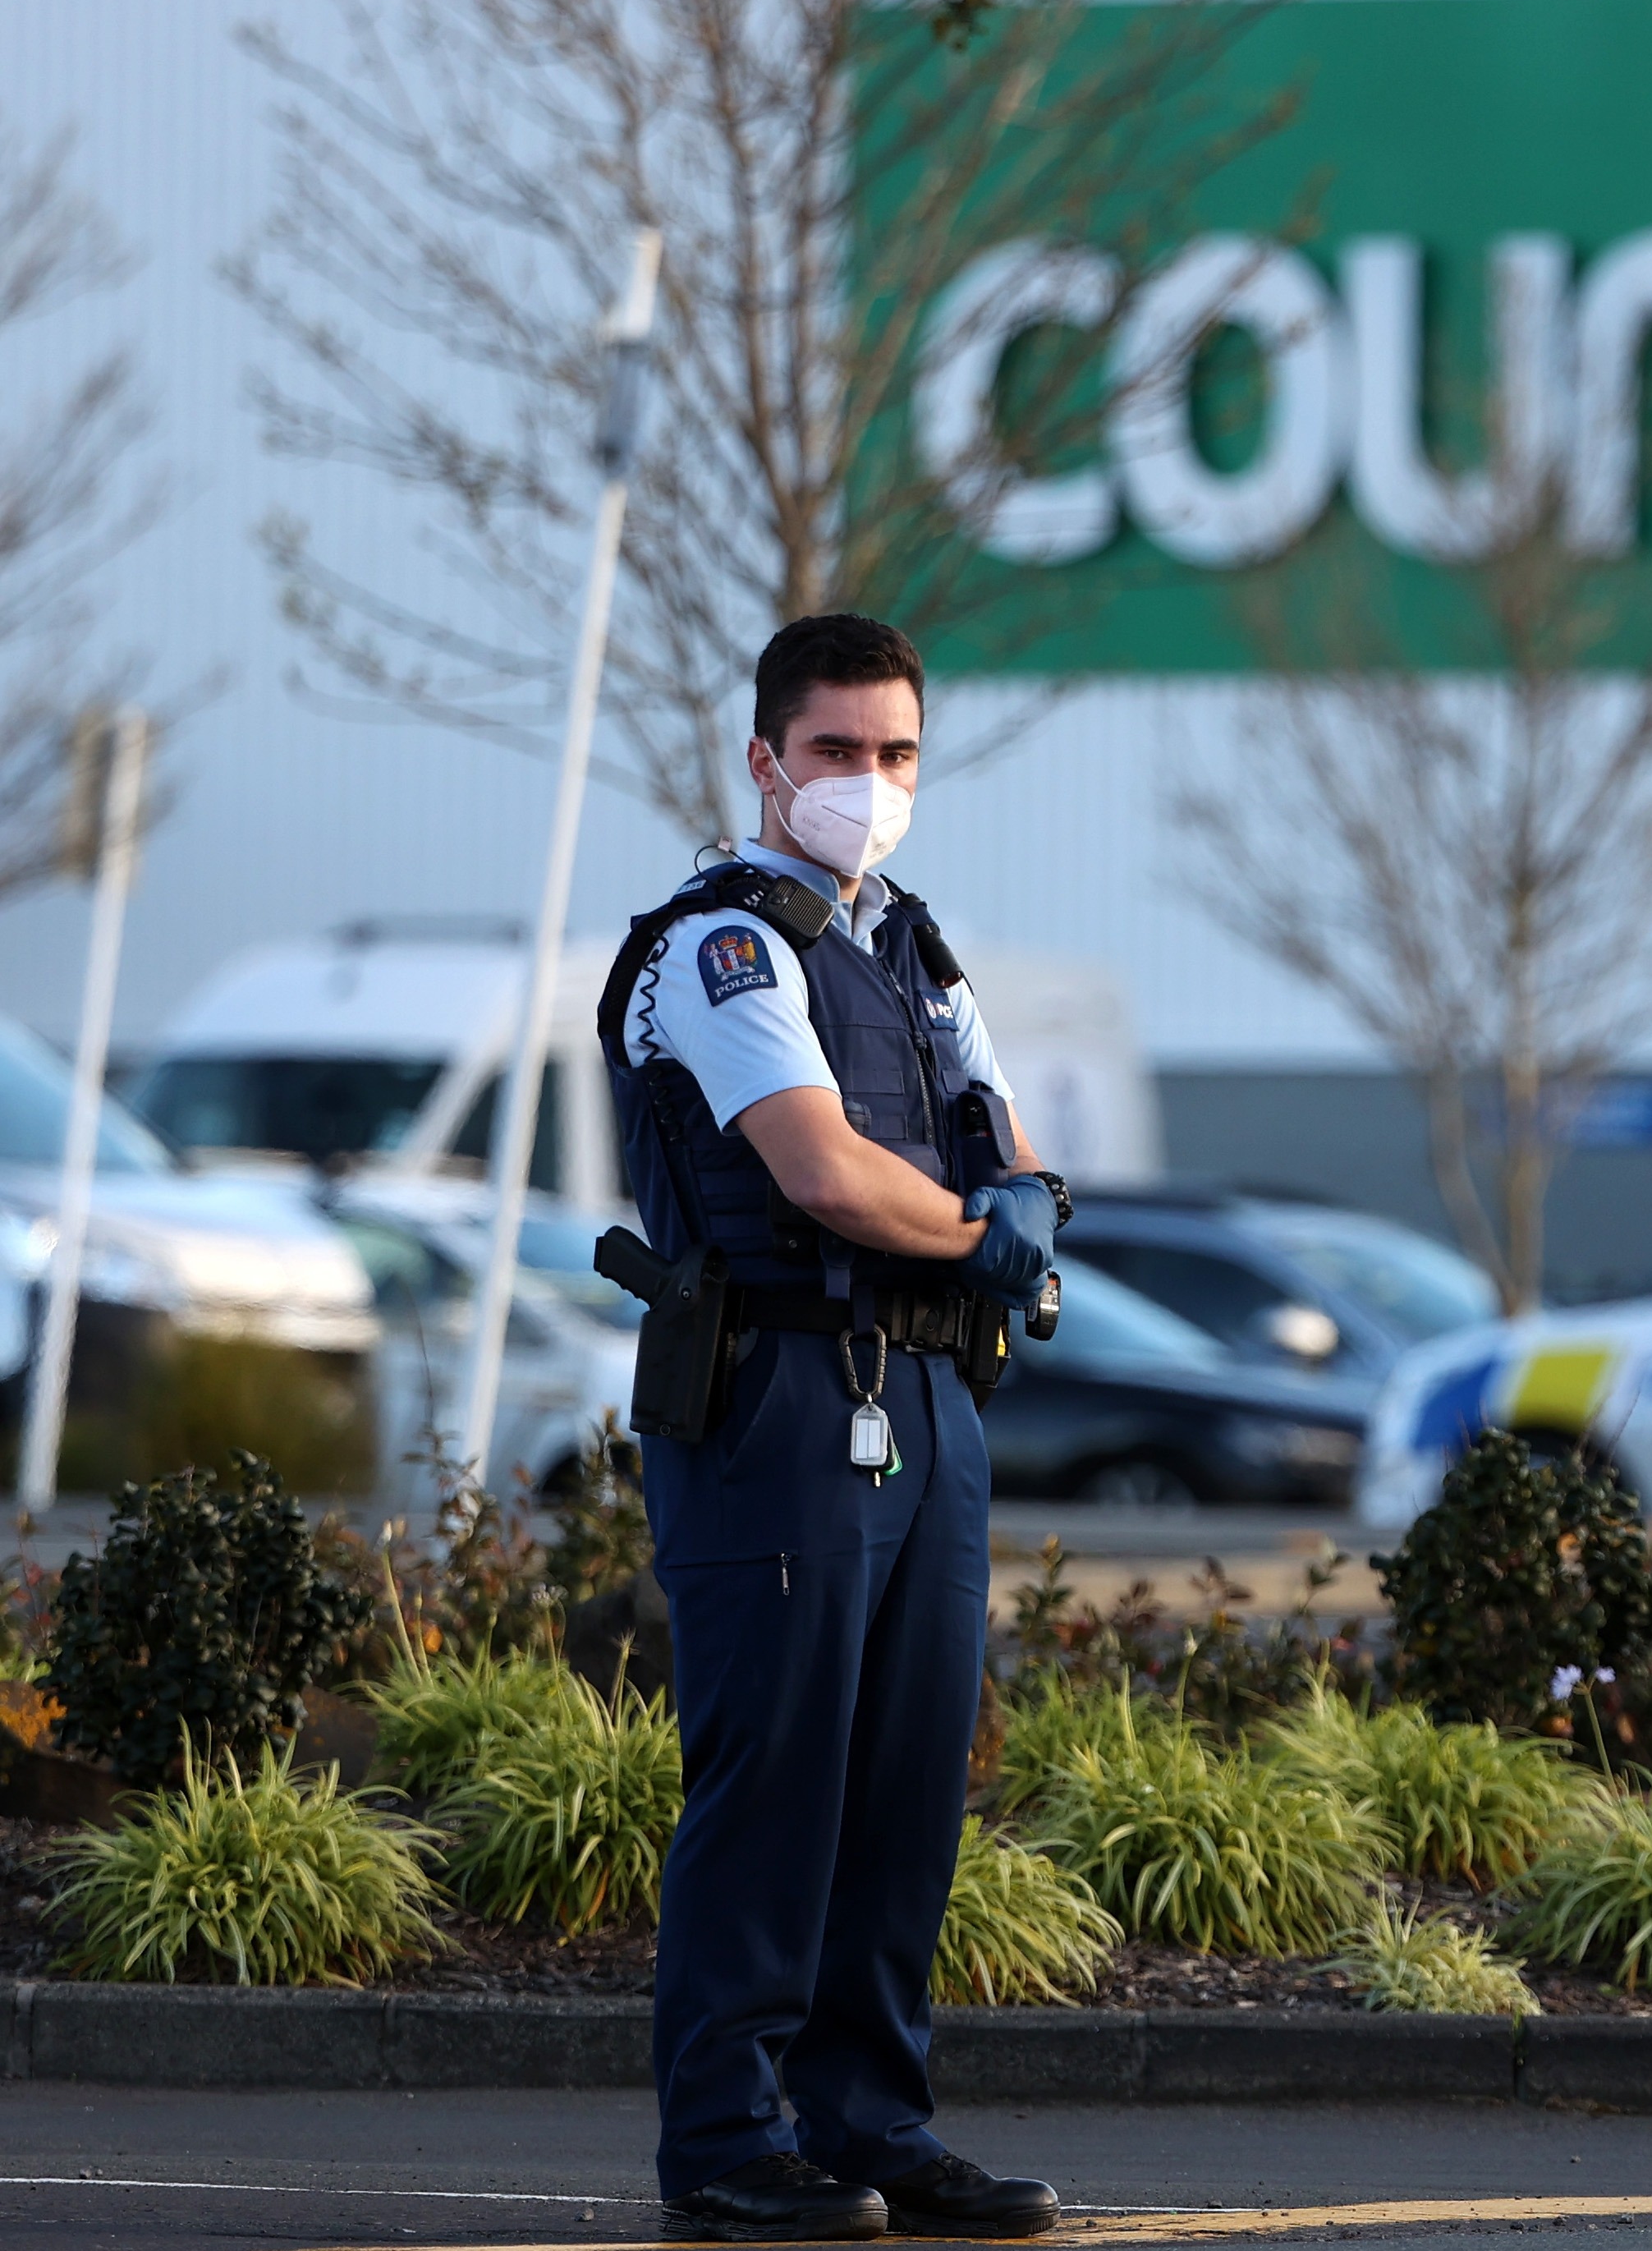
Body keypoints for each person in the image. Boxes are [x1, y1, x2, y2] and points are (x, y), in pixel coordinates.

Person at [601, 613, 1065, 2241]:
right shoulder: (725, 947)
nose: (867, 784)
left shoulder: (914, 950)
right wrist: (983, 1226)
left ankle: (869, 2123)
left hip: (926, 1396)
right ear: (765, 761)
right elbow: (816, 1166)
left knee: (903, 1784)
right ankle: (728, 2142)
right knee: (779, 1778)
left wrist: (1008, 1211)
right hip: (779, 1397)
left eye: (894, 756)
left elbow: (1008, 1149)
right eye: (835, 754)